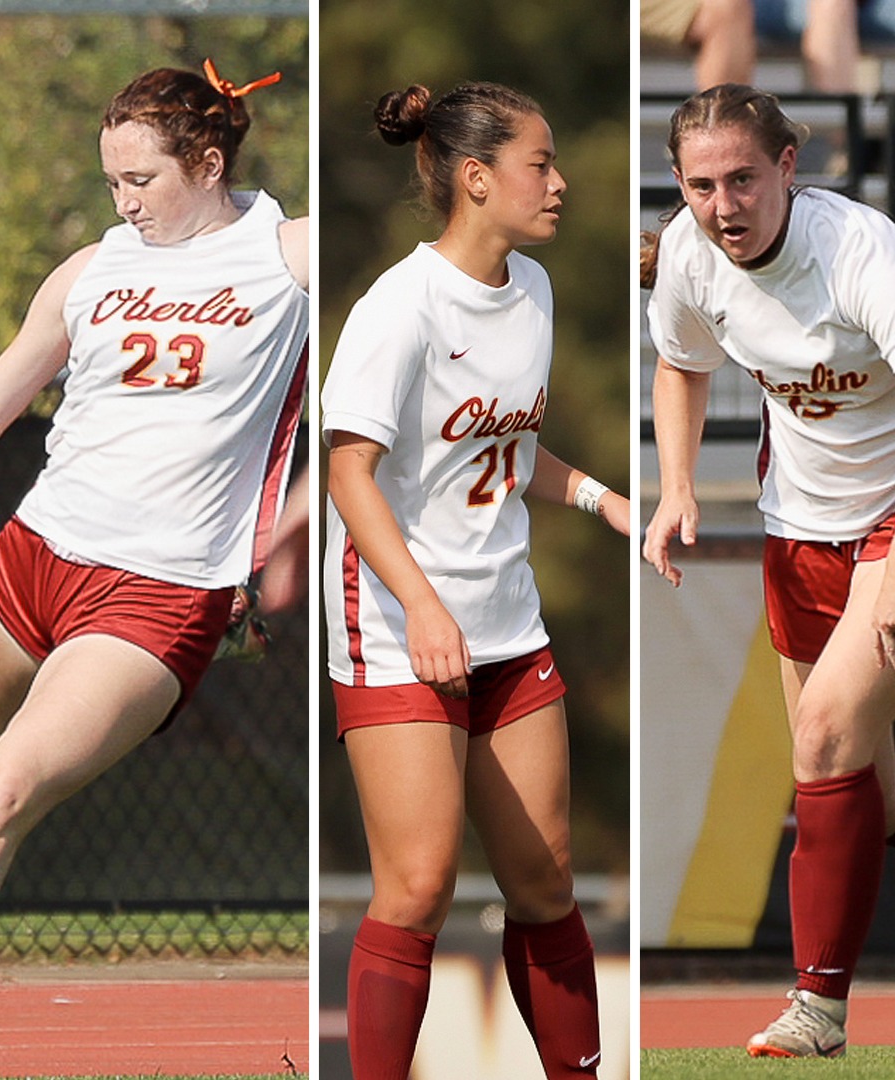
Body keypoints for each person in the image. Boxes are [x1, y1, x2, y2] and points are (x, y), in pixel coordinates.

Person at [322, 81, 630, 1080]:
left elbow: (508, 451)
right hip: (398, 624)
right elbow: (346, 472)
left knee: (545, 884)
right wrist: (420, 608)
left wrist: (603, 500)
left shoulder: (530, 290)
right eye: (540, 164)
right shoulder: (400, 307)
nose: (559, 182)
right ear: (475, 177)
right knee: (415, 886)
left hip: (506, 624)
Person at [644, 82, 895, 1058]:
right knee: (870, 791)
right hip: (800, 531)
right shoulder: (691, 254)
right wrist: (677, 483)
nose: (723, 203)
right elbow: (680, 363)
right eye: (702, 184)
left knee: (822, 734)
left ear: (787, 165)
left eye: (743, 177)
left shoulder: (862, 252)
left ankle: (818, 1010)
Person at [0, 61, 307, 892]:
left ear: (208, 166)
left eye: (141, 179)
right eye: (111, 182)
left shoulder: (290, 258)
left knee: (4, 793)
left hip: (157, 590)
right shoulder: (92, 268)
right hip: (29, 557)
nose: (124, 202)